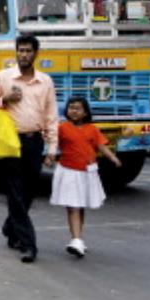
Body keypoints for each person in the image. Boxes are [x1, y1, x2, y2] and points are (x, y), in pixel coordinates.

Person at [0, 33, 58, 263]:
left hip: (34, 141)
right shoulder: (4, 77)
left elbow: (51, 115)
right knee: (15, 192)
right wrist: (4, 99)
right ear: (15, 52)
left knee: (29, 191)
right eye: (21, 50)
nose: (24, 54)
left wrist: (52, 148)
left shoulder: (45, 81)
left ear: (36, 53)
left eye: (28, 51)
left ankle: (10, 227)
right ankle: (28, 244)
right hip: (10, 142)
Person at [50, 97, 120, 258]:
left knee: (79, 207)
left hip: (87, 173)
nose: (73, 111)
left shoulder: (92, 129)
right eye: (71, 107)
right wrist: (50, 155)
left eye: (78, 108)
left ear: (85, 112)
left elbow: (101, 145)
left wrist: (112, 157)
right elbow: (53, 142)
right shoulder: (62, 128)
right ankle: (76, 240)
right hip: (68, 171)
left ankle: (78, 239)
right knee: (73, 207)